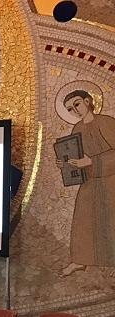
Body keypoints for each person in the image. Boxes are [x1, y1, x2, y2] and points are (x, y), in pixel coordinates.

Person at [54, 85, 115, 275]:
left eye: (77, 104)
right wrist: (65, 163)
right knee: (83, 219)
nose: (75, 110)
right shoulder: (77, 128)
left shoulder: (106, 122)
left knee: (111, 219)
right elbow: (76, 155)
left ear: (88, 101)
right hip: (89, 180)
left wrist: (93, 161)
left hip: (110, 179)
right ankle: (80, 260)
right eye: (70, 109)